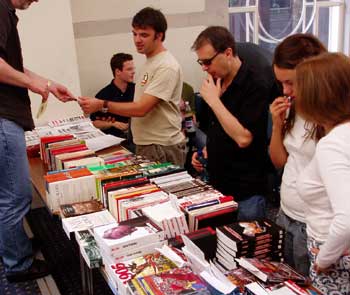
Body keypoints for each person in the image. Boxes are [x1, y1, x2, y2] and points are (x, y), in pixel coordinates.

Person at [0, 0, 75, 282]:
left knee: (9, 195)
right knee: (16, 197)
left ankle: (15, 247)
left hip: (6, 118)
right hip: (4, 118)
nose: (37, 0)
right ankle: (18, 264)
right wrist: (31, 84)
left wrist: (47, 84)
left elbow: (13, 66)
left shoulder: (6, 12)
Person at [79, 7, 186, 167]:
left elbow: (141, 109)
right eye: (134, 33)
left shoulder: (166, 66)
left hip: (160, 146)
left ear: (159, 36)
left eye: (144, 35)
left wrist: (103, 104)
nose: (137, 39)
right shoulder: (150, 62)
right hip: (148, 144)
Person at [191, 26, 271, 220]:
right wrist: (206, 151)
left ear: (228, 53)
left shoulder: (256, 84)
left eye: (208, 62)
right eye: (201, 63)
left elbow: (243, 138)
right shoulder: (216, 80)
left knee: (247, 247)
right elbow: (219, 128)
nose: (204, 68)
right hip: (218, 184)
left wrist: (214, 101)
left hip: (246, 191)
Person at [269, 34, 327, 276]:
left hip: (314, 225)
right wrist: (276, 124)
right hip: (286, 215)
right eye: (281, 83)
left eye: (290, 82)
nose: (286, 91)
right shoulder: (293, 107)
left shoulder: (332, 116)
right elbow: (280, 161)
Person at [295, 52, 350, 295]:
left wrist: (324, 259)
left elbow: (347, 217)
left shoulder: (334, 143)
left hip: (335, 260)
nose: (294, 95)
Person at [90, 53, 135, 149]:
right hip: (114, 144)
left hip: (137, 140)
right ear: (118, 71)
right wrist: (113, 124)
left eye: (133, 69)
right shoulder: (102, 96)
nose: (133, 72)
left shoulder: (137, 90)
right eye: (129, 69)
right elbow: (94, 123)